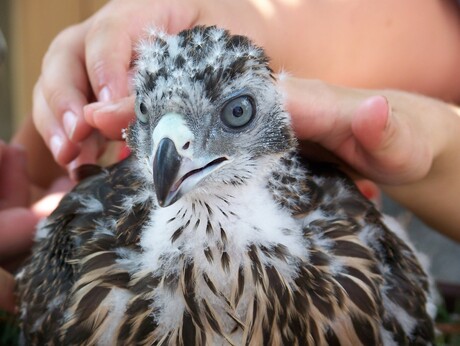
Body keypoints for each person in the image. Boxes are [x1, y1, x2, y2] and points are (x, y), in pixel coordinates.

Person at [1, 0, 460, 313]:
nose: (172, 149)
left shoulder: (373, 270)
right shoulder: (84, 269)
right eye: (146, 111)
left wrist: (441, 145)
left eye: (236, 114)